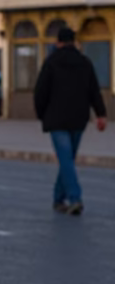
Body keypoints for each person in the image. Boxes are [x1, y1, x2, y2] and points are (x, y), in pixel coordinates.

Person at [34, 26, 107, 215]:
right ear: (74, 42)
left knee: (66, 159)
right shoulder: (85, 62)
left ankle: (74, 198)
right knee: (68, 159)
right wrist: (101, 114)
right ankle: (58, 199)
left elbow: (40, 92)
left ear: (58, 42)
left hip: (56, 119)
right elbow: (94, 91)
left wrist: (42, 115)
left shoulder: (51, 62)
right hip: (78, 118)